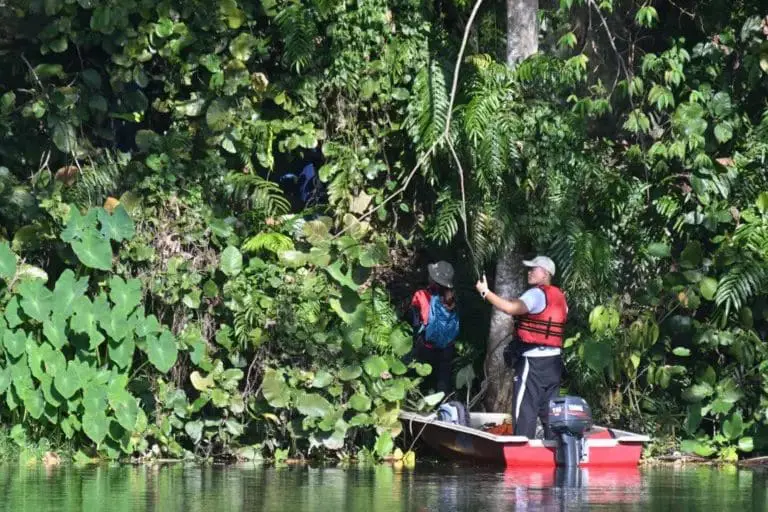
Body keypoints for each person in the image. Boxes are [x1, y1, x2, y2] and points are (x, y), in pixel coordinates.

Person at [475, 256, 568, 439]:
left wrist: (485, 292)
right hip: (554, 363)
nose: (530, 271)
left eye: (534, 268)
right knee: (550, 411)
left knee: (524, 409)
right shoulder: (561, 298)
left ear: (545, 274)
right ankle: (555, 450)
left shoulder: (535, 294)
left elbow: (510, 308)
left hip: (533, 363)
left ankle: (521, 450)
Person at [406, 261, 460, 394]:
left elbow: (412, 320)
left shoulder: (421, 295)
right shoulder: (453, 299)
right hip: (447, 348)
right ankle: (444, 406)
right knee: (443, 381)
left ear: (434, 280)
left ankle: (418, 401)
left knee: (418, 376)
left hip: (426, 347)